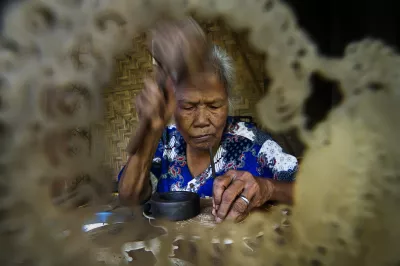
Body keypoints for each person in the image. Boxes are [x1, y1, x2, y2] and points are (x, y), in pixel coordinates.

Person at [118, 44, 298, 223]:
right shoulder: (165, 142)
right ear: (173, 108)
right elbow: (129, 198)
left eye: (214, 106)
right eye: (188, 107)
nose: (202, 120)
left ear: (228, 102)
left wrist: (268, 188)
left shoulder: (253, 142)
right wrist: (150, 131)